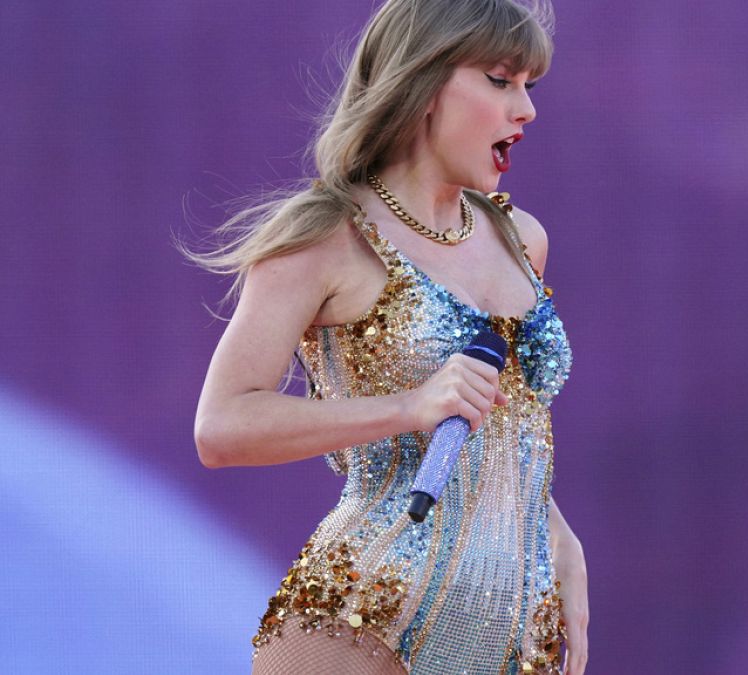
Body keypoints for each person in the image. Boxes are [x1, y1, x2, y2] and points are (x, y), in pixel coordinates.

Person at [186, 1, 587, 673]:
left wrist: (559, 538)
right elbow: (221, 426)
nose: (527, 110)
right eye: (500, 80)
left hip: (510, 637)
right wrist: (408, 406)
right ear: (424, 84)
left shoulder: (523, 241)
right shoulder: (325, 236)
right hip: (358, 625)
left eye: (530, 86)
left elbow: (508, 428)